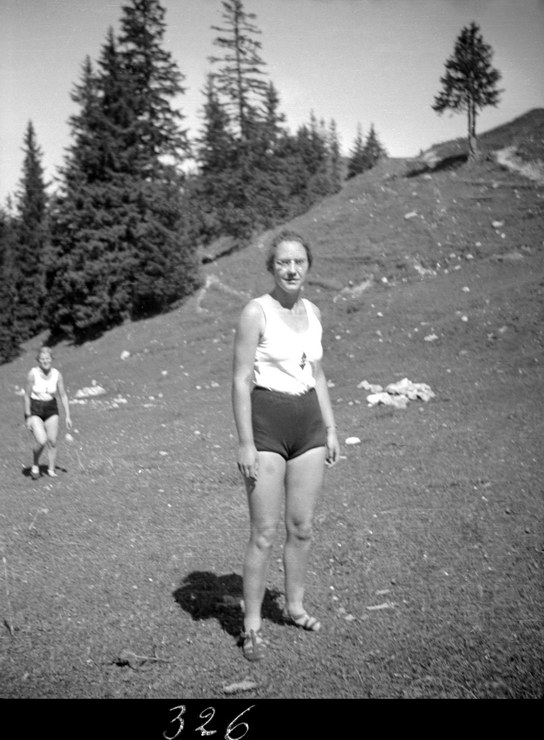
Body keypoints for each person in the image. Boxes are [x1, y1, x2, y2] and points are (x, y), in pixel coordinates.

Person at [232, 229, 340, 661]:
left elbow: (318, 374)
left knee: (302, 527)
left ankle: (294, 607)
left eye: (298, 262)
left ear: (308, 265)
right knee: (263, 533)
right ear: (271, 267)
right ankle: (252, 625)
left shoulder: (313, 312)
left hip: (309, 426)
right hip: (266, 429)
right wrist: (245, 442)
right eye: (283, 262)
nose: (291, 269)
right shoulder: (255, 312)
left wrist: (330, 428)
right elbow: (241, 379)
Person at [23, 346, 72, 479]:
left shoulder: (57, 374)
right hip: (35, 410)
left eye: (47, 358)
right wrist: (28, 416)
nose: (45, 361)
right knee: (42, 440)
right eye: (42, 359)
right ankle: (35, 464)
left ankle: (51, 469)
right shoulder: (33, 373)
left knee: (52, 441)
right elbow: (26, 396)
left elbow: (63, 395)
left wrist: (68, 416)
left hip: (51, 409)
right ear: (38, 360)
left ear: (51, 359)